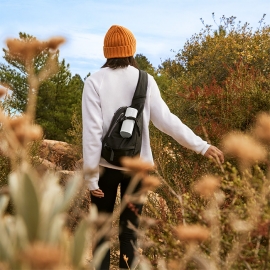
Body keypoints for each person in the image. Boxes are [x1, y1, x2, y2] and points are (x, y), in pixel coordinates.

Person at [82, 25, 224, 270]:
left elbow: (93, 132)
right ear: (131, 50)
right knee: (130, 233)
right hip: (138, 168)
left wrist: (91, 176)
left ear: (107, 51)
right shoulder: (145, 80)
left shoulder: (94, 82)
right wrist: (201, 146)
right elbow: (167, 121)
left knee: (101, 233)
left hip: (105, 167)